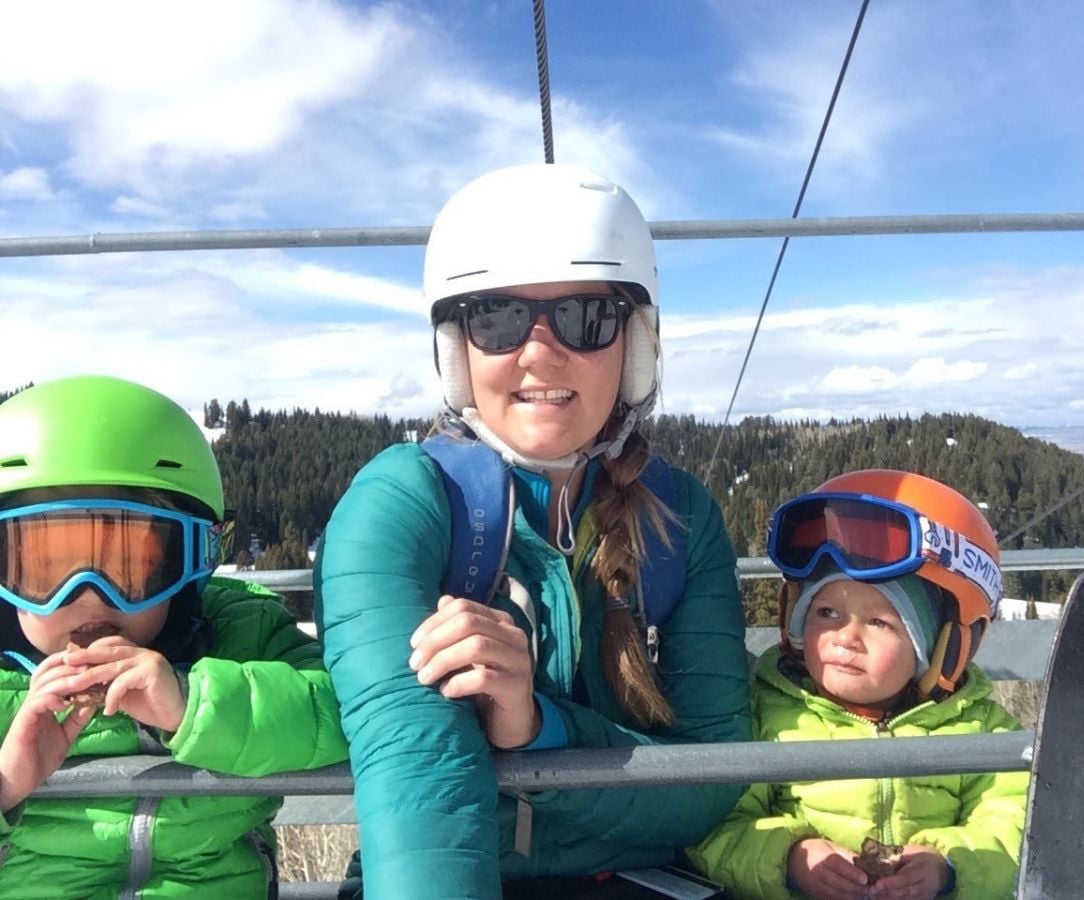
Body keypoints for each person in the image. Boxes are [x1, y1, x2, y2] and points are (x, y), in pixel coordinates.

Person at [316, 163, 751, 899]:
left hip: (641, 880)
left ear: (633, 346)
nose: (540, 353)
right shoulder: (400, 502)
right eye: (496, 317)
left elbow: (710, 778)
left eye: (586, 317)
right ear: (460, 351)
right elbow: (413, 761)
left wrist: (537, 730)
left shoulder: (680, 518)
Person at [0, 375, 349, 899]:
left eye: (131, 565)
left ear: (189, 566)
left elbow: (346, 712)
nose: (91, 595)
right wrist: (7, 782)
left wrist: (194, 702)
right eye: (45, 567)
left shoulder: (239, 632)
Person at [688, 469, 1028, 900]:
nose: (846, 637)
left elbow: (1020, 827)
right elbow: (714, 826)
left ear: (942, 646)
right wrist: (791, 859)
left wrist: (949, 867)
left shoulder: (982, 734)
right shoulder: (761, 717)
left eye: (879, 622)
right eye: (826, 612)